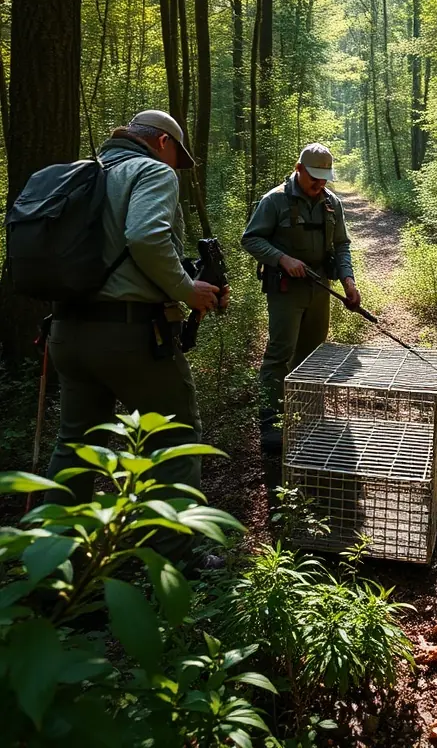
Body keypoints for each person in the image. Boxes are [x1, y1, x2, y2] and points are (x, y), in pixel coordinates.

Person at [45, 110, 227, 556]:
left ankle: (52, 565)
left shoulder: (79, 175)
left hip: (67, 331)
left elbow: (117, 252)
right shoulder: (149, 171)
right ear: (163, 143)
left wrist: (182, 274)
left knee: (74, 446)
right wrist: (188, 290)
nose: (174, 168)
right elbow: (145, 238)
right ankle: (174, 557)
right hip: (129, 337)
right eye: (175, 158)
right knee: (175, 436)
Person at [242, 143, 361, 452]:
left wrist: (348, 280)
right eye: (314, 177)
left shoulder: (331, 203)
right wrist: (283, 259)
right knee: (279, 355)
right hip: (285, 289)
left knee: (314, 355)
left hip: (320, 287)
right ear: (299, 169)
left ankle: (310, 415)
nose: (319, 184)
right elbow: (251, 238)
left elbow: (342, 245)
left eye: (324, 178)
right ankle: (271, 424)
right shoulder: (275, 201)